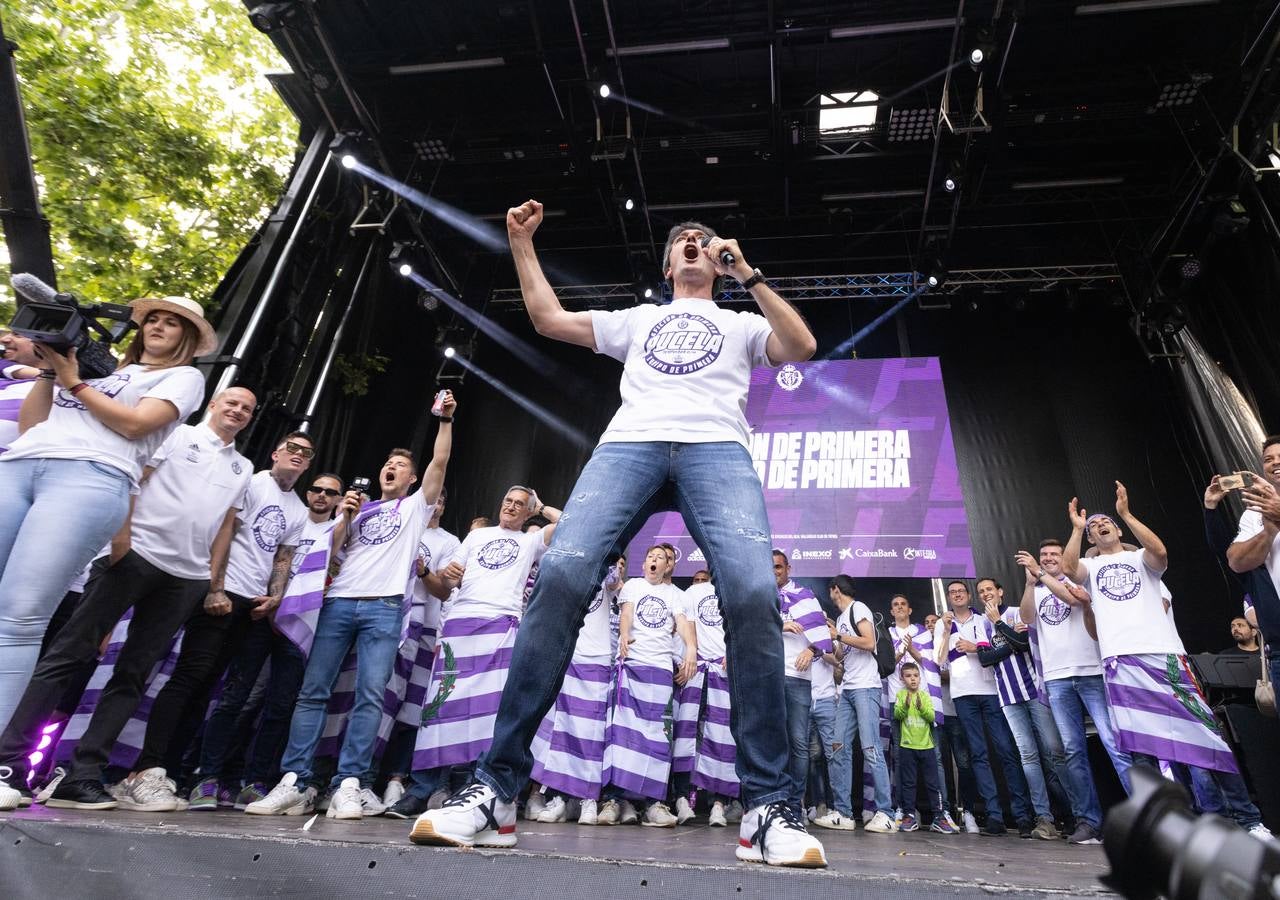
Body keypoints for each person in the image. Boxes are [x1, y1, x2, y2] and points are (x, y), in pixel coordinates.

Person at [412, 205, 826, 868]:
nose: (693, 244)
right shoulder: (641, 319)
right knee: (560, 577)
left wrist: (748, 273)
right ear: (667, 265)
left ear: (717, 261)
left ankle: (769, 807)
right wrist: (522, 244)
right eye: (682, 242)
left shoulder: (741, 320)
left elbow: (800, 346)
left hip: (717, 449)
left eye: (703, 240)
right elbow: (549, 319)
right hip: (628, 447)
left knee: (752, 595)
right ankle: (495, 791)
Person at [0, 386, 254, 810]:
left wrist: (212, 580)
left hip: (185, 576)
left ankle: (81, 776)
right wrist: (120, 542)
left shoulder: (243, 467)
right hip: (134, 555)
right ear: (213, 404)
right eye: (232, 402)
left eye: (247, 408)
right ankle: (9, 762)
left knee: (134, 675)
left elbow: (226, 525)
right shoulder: (176, 435)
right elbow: (135, 479)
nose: (238, 410)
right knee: (68, 654)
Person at [0, 296, 212, 737]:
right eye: (151, 319)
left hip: (91, 476)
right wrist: (49, 371)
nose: (157, 326)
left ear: (187, 338)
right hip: (22, 464)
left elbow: (137, 425)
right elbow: (32, 426)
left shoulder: (184, 377)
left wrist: (75, 382)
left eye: (171, 323)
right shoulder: (106, 371)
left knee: (20, 616)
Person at [247, 394, 456, 820]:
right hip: (339, 604)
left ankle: (350, 783)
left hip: (383, 608)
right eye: (387, 463)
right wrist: (343, 517)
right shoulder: (358, 511)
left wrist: (446, 421)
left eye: (400, 466)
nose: (390, 468)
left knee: (370, 696)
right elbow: (334, 554)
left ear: (413, 480)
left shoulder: (416, 507)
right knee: (312, 693)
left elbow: (440, 461)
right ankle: (294, 781)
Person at [1052, 483, 1270, 839]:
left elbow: (1160, 552)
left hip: (1164, 656)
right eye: (1094, 525)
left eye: (1104, 521)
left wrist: (1125, 514)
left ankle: (1246, 818)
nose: (1099, 525)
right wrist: (1077, 529)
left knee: (1206, 738)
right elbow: (1069, 567)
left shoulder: (1139, 558)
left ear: (1118, 529)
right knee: (1141, 752)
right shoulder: (1089, 568)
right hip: (1120, 663)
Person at [123, 431, 315, 808]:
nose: (297, 455)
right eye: (291, 447)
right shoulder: (251, 481)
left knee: (215, 690)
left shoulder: (296, 508)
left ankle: (174, 774)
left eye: (305, 453)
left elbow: (282, 557)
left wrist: (275, 597)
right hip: (222, 592)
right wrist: (215, 586)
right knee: (188, 679)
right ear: (276, 451)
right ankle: (147, 768)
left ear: (308, 464)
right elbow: (223, 531)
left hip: (254, 605)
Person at [387, 485, 560, 818]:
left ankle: (469, 791)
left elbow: (569, 525)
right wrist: (431, 574)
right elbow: (442, 589)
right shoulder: (475, 538)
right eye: (507, 501)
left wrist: (541, 507)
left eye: (519, 504)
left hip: (501, 626)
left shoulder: (530, 541)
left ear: (527, 513)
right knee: (439, 709)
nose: (511, 507)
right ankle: (421, 790)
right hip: (460, 625)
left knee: (485, 716)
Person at [190, 473, 344, 810]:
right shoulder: (289, 518)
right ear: (308, 493)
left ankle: (256, 780)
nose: (321, 495)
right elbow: (269, 559)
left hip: (302, 629)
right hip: (263, 616)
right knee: (237, 699)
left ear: (338, 499)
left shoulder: (339, 532)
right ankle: (209, 777)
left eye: (330, 492)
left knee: (281, 708)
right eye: (316, 489)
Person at [595, 546, 693, 828]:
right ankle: (612, 800)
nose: (653, 560)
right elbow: (626, 614)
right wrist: (624, 636)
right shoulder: (634, 586)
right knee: (620, 734)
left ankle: (654, 804)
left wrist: (692, 649)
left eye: (659, 559)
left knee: (657, 736)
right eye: (650, 556)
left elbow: (683, 624)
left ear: (667, 568)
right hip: (632, 664)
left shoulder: (675, 595)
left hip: (660, 669)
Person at [933, 580, 1036, 837]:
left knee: (1006, 751)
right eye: (952, 592)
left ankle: (1022, 816)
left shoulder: (984, 619)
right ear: (948, 598)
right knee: (978, 755)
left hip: (991, 690)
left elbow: (997, 649)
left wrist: (973, 649)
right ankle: (994, 817)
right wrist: (946, 632)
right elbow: (939, 659)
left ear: (969, 596)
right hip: (962, 694)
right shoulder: (942, 623)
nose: (957, 595)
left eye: (961, 592)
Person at [527, 554, 624, 825]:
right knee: (560, 731)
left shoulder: (606, 569)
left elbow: (616, 581)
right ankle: (558, 798)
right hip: (565, 655)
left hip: (596, 658)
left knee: (590, 734)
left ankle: (589, 800)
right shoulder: (568, 571)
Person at [973, 577, 1067, 841]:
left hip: (1034, 692)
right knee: (1028, 758)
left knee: (1054, 753)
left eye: (989, 589)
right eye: (981, 592)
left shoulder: (1016, 612)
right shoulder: (981, 623)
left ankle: (1073, 814)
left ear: (1000, 592)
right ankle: (1044, 818)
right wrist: (1010, 640)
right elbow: (984, 658)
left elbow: (1025, 643)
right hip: (1008, 698)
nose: (985, 595)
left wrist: (1000, 625)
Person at [817, 575, 894, 833]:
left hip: (866, 688)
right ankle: (843, 813)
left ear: (835, 590)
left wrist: (838, 633)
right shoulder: (839, 619)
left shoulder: (858, 608)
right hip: (848, 688)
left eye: (831, 591)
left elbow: (869, 642)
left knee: (871, 747)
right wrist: (829, 643)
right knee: (837, 746)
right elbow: (841, 657)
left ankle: (886, 813)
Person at [774, 553, 834, 818]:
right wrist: (780, 624)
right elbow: (751, 629)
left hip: (799, 679)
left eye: (778, 566)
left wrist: (811, 650)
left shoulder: (805, 595)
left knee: (799, 744)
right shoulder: (761, 596)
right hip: (769, 676)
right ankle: (773, 799)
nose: (773, 571)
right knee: (773, 743)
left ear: (788, 568)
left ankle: (795, 803)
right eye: (770, 567)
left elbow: (822, 636)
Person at [686, 567, 742, 827]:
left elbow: (742, 628)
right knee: (689, 736)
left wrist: (732, 652)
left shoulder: (735, 590)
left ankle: (719, 804)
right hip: (698, 672)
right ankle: (685, 799)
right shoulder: (695, 591)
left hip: (725, 674)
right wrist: (691, 653)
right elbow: (686, 625)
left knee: (722, 739)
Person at [892, 663, 955, 834]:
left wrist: (921, 707)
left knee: (933, 784)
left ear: (920, 678)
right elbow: (897, 715)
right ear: (902, 678)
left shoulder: (925, 696)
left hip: (926, 746)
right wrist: (905, 705)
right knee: (909, 783)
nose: (912, 679)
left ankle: (939, 816)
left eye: (915, 675)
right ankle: (909, 815)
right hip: (907, 746)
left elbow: (931, 717)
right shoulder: (900, 695)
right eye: (908, 676)